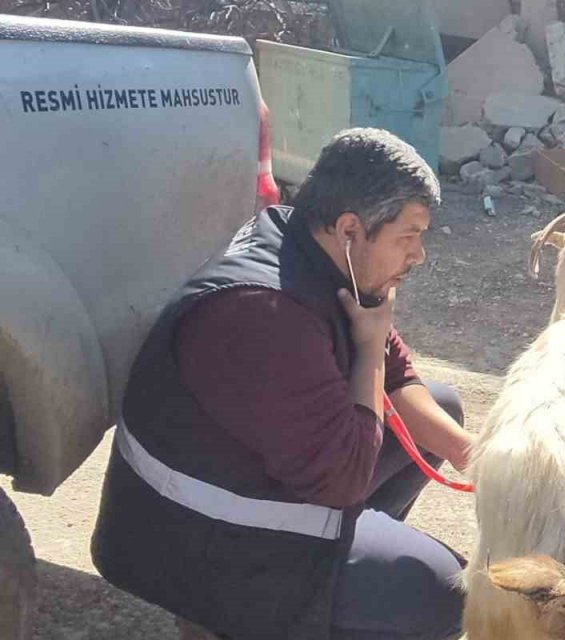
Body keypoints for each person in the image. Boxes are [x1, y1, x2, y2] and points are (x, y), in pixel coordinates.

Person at [91, 128, 474, 640]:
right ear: (351, 229)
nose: (418, 255)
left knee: (440, 410)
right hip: (187, 540)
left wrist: (486, 461)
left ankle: (344, 571)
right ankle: (238, 617)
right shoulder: (265, 314)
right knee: (449, 592)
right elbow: (347, 476)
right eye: (409, 236)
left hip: (257, 472)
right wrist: (367, 348)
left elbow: (397, 372)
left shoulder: (313, 245)